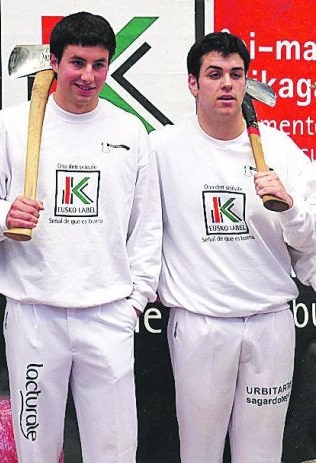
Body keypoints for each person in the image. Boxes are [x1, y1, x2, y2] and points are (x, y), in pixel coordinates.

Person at [0, 11, 161, 463]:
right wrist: (4, 214)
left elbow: (147, 225)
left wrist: (134, 302)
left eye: (99, 64)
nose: (88, 77)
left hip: (107, 313)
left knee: (114, 449)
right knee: (36, 447)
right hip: (34, 313)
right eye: (77, 63)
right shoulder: (9, 127)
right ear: (53, 61)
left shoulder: (129, 131)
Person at [150, 31, 316, 463]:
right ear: (193, 83)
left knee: (262, 454)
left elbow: (310, 240)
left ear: (246, 82)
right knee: (199, 453)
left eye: (236, 74)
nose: (227, 83)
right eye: (214, 74)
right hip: (201, 325)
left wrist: (290, 208)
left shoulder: (279, 149)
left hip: (270, 325)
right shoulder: (162, 148)